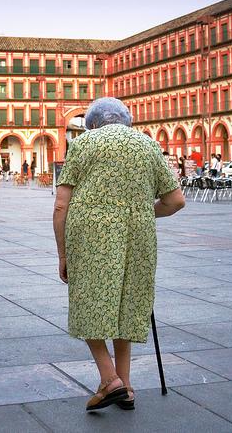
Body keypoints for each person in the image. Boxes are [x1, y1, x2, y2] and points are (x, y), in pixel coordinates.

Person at [53, 97, 185, 412]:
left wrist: (62, 254)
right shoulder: (148, 144)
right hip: (138, 237)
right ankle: (124, 388)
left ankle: (109, 379)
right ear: (126, 120)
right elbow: (175, 201)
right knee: (125, 307)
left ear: (93, 123)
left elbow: (61, 206)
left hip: (91, 238)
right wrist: (139, 212)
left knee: (88, 305)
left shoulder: (84, 144)